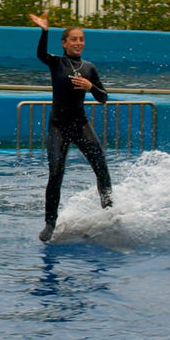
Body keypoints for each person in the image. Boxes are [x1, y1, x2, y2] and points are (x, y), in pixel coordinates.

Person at [30, 12, 113, 242]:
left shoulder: (89, 68)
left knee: (101, 166)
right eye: (74, 39)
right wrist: (44, 31)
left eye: (81, 39)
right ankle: (50, 222)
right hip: (58, 126)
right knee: (56, 172)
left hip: (80, 125)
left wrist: (90, 87)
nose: (78, 43)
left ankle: (109, 211)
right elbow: (40, 54)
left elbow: (104, 97)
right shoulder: (57, 63)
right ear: (65, 43)